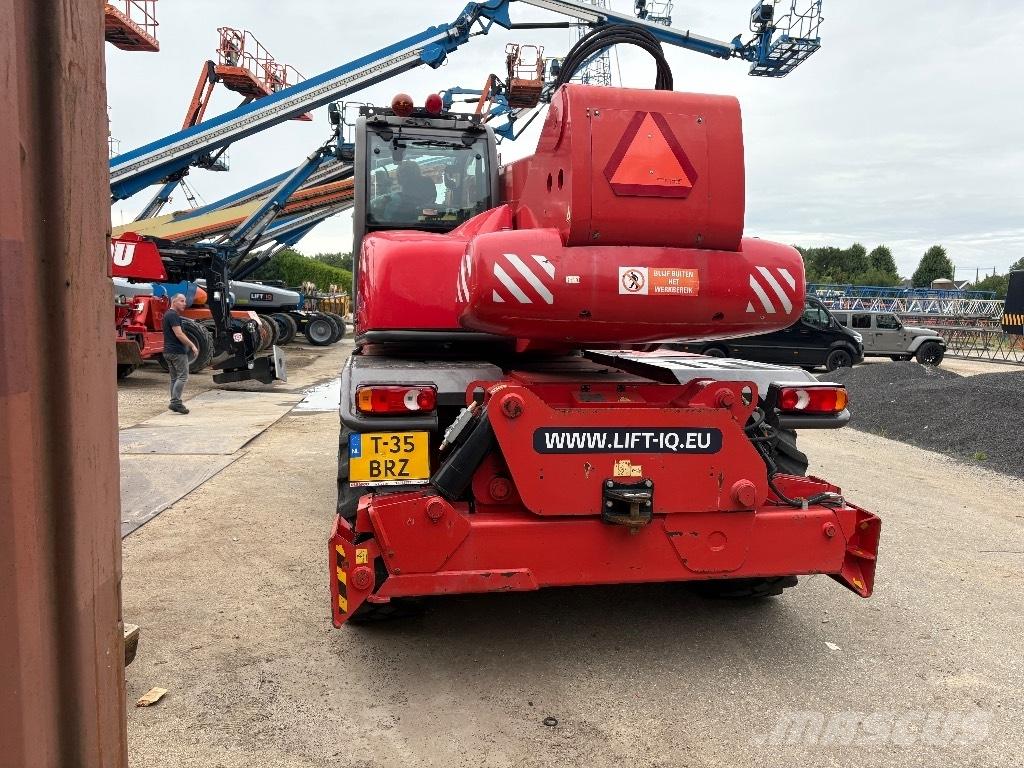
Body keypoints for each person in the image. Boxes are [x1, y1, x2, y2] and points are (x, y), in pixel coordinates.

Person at [162, 293, 198, 414]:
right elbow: (179, 334)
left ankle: (174, 402)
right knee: (183, 377)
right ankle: (176, 402)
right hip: (177, 352)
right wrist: (192, 345)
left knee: (174, 378)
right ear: (174, 302)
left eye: (185, 301)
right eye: (181, 301)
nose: (184, 303)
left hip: (168, 351)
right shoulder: (173, 315)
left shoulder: (167, 314)